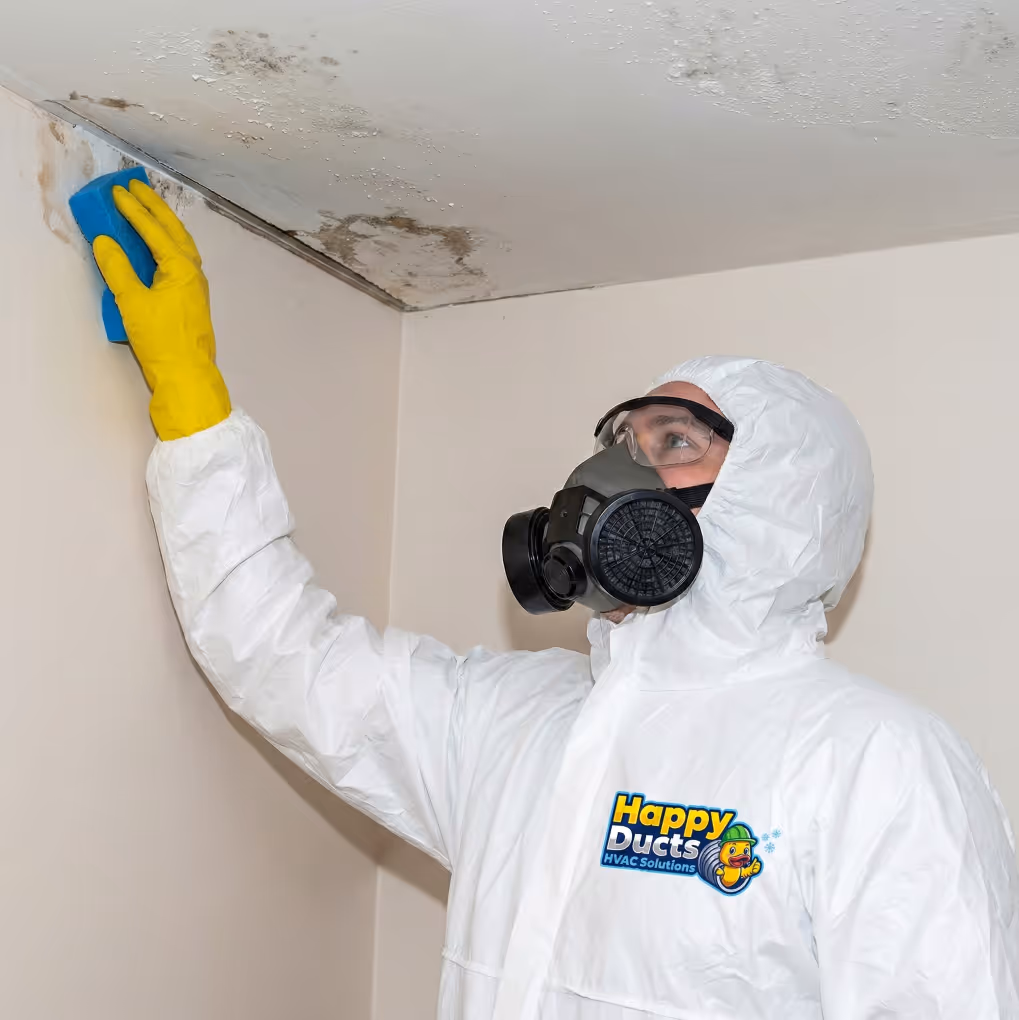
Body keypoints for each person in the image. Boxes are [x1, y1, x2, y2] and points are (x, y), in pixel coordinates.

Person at [94, 179, 1019, 1019]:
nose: (617, 469)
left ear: (782, 497)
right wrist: (195, 411)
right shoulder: (515, 724)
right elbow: (283, 656)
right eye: (623, 436)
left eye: (675, 441)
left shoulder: (875, 763)